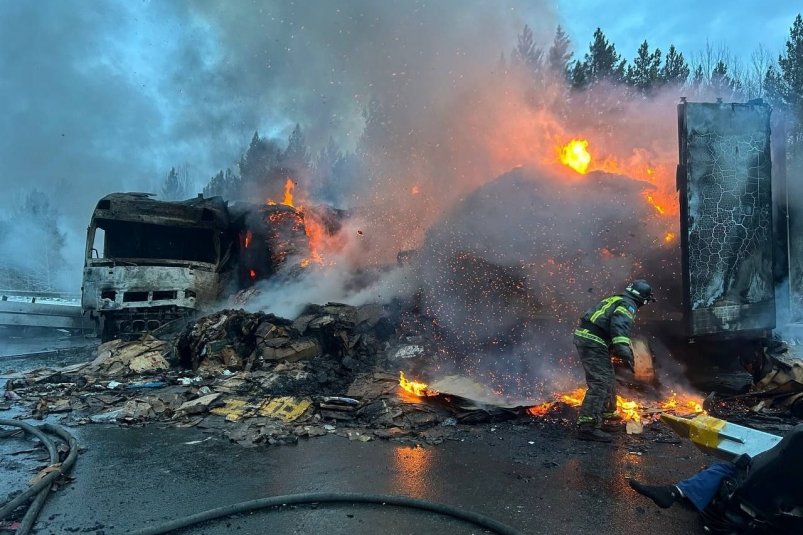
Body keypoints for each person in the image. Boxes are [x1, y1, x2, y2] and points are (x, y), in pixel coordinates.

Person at [573, 279, 655, 442]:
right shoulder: (628, 305)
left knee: (608, 378)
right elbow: (619, 326)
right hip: (592, 341)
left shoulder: (617, 298)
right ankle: (587, 426)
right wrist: (624, 351)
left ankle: (607, 416)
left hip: (591, 339)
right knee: (601, 382)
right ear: (643, 299)